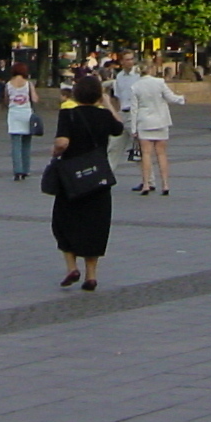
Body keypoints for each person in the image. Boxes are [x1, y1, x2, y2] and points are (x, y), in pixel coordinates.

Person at [50, 73, 124, 291]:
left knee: (64, 221)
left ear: (77, 92)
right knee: (95, 225)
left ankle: (71, 267)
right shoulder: (104, 116)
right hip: (97, 178)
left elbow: (62, 142)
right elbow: (119, 128)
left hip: (72, 179)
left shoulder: (68, 114)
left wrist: (55, 152)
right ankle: (91, 275)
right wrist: (108, 104)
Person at [127, 62, 185, 194]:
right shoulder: (159, 82)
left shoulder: (135, 86)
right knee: (162, 154)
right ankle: (165, 184)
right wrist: (181, 99)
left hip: (144, 123)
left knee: (146, 154)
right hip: (161, 121)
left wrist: (133, 128)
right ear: (151, 69)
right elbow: (171, 98)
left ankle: (146, 184)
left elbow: (134, 109)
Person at [3, 64, 38, 180]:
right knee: (27, 144)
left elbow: (6, 100)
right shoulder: (28, 84)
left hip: (14, 114)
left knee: (16, 144)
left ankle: (17, 171)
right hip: (26, 114)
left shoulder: (8, 84)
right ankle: (26, 170)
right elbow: (35, 99)